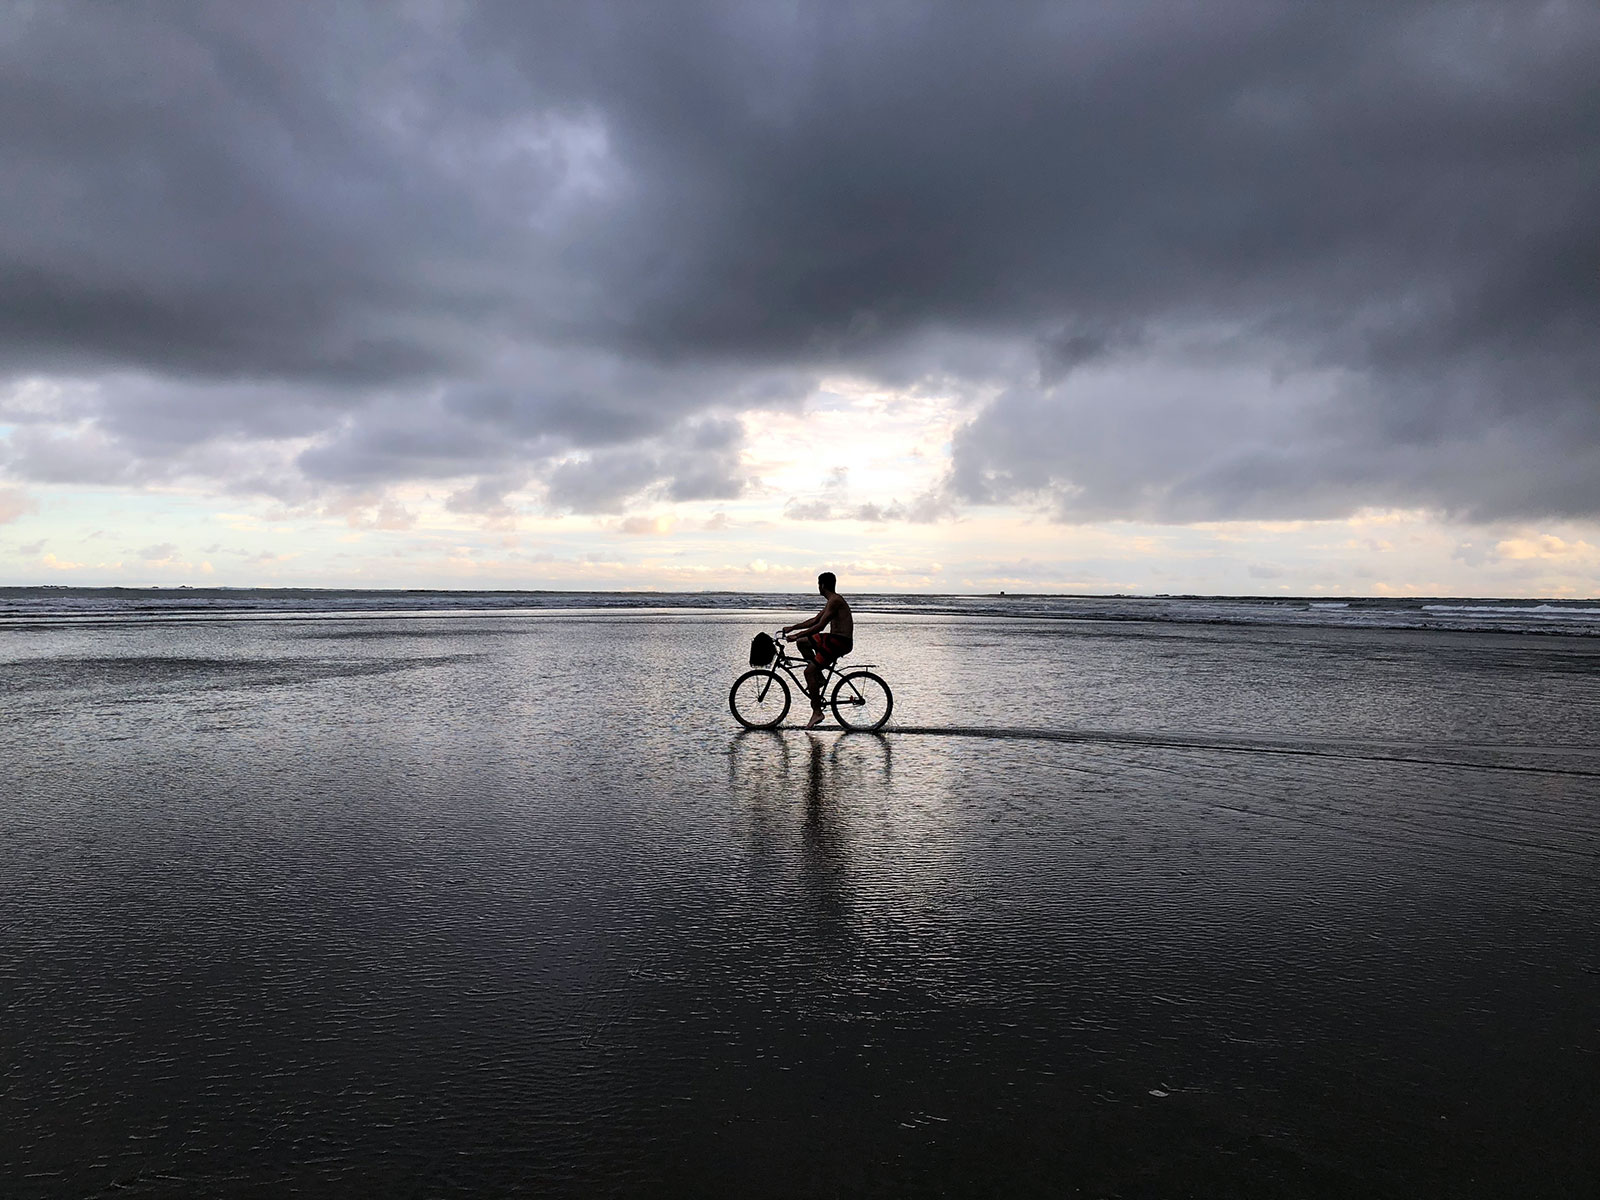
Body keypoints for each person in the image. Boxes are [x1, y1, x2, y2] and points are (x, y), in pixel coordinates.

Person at [781, 571, 854, 728]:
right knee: (803, 643)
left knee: (808, 672)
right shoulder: (832, 601)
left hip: (839, 642)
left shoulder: (835, 601)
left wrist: (796, 635)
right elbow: (814, 620)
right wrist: (793, 628)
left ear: (822, 585)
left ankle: (817, 711)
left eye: (818, 584)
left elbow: (820, 626)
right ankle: (819, 678)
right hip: (834, 640)